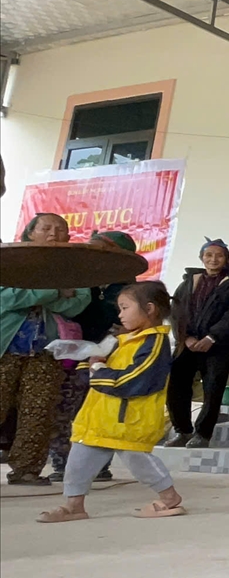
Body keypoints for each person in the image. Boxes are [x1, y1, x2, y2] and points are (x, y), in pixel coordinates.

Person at [37, 281, 186, 523]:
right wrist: (92, 362)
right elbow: (98, 370)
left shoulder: (154, 343)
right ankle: (74, 505)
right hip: (99, 417)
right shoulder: (122, 339)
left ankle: (169, 498)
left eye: (125, 308)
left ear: (149, 309)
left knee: (139, 461)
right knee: (79, 460)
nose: (120, 314)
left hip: (128, 420)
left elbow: (135, 380)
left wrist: (98, 369)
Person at [0, 213, 90, 485]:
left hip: (47, 350)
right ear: (30, 233)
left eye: (61, 229)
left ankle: (26, 469)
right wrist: (54, 292)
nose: (54, 233)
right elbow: (6, 297)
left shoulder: (74, 266)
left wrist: (34, 295)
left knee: (38, 410)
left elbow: (77, 303)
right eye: (46, 227)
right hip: (5, 347)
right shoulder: (10, 259)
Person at [47, 230, 137, 483]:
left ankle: (98, 467)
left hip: (112, 358)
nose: (89, 255)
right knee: (64, 407)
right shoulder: (77, 280)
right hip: (72, 355)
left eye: (97, 249)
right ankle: (62, 464)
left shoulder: (133, 289)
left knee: (101, 411)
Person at [164, 239, 229, 448]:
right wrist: (185, 337)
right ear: (202, 258)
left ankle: (203, 434)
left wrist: (212, 337)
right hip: (187, 343)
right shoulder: (188, 283)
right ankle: (183, 431)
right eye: (209, 255)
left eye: (219, 255)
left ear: (226, 259)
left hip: (217, 347)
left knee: (212, 390)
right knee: (176, 388)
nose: (213, 260)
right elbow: (176, 312)